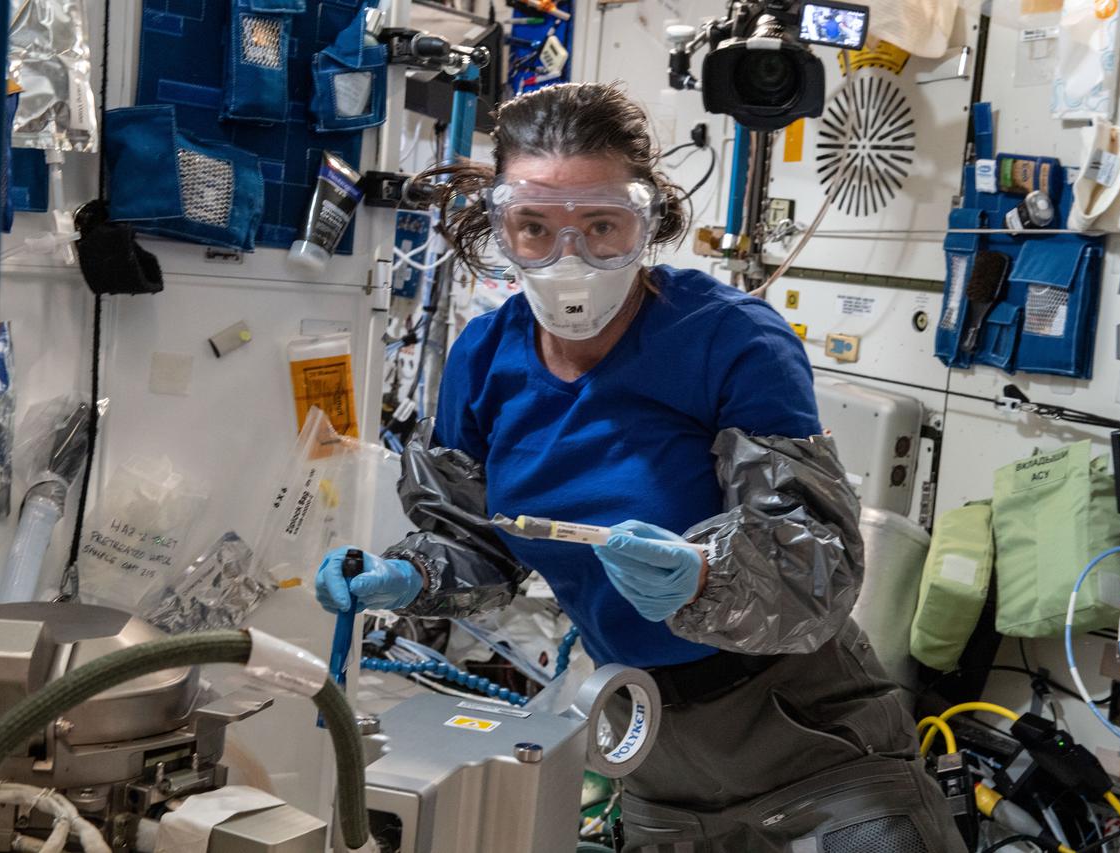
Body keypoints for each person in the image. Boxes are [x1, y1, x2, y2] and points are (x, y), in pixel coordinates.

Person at [313, 82, 964, 853]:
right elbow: (473, 540)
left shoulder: (730, 340)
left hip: (812, 743)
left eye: (601, 225)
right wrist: (410, 576)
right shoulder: (484, 359)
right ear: (500, 225)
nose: (570, 258)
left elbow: (817, 572)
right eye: (534, 228)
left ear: (647, 220)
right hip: (649, 748)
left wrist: (705, 575)